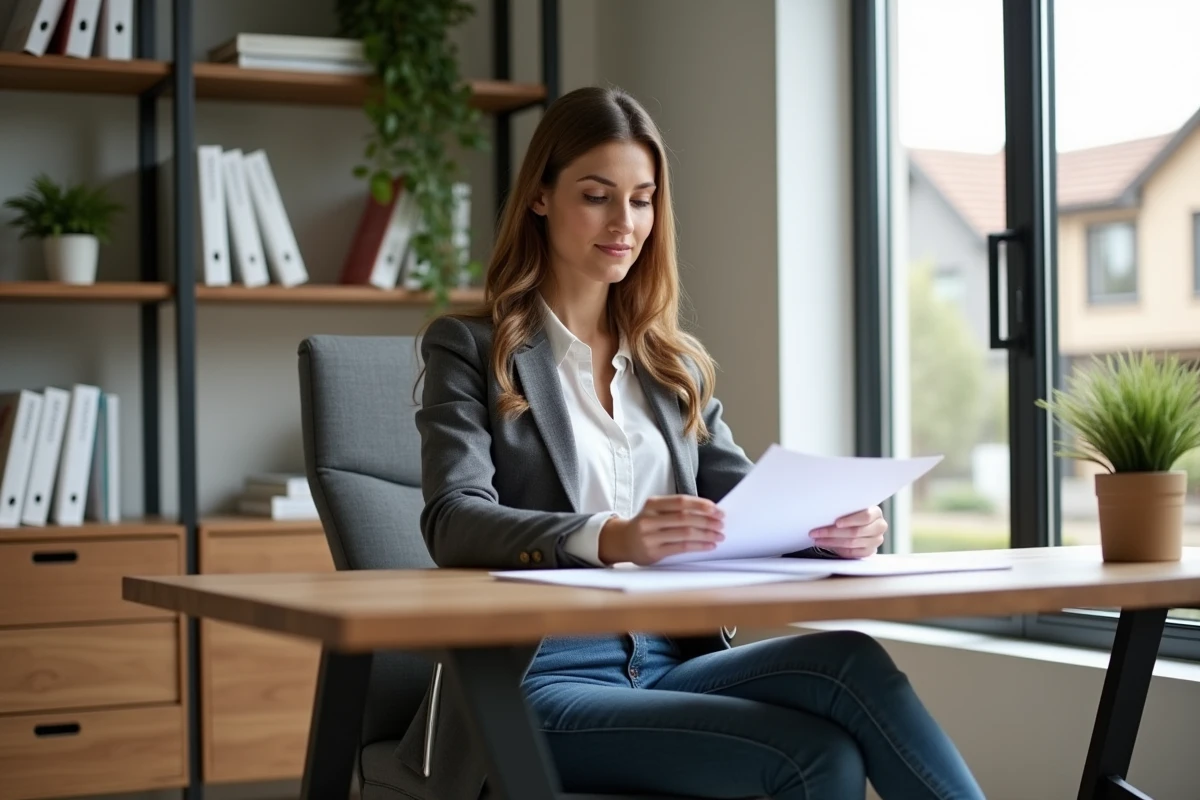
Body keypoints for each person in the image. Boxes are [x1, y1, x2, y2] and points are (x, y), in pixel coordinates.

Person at [415, 85, 985, 800]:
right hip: (534, 679)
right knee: (818, 759)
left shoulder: (669, 367)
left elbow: (749, 508)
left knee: (853, 663)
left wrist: (832, 527)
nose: (625, 222)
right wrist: (612, 536)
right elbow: (452, 521)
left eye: (643, 198)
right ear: (540, 196)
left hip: (667, 653)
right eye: (597, 195)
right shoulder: (472, 348)